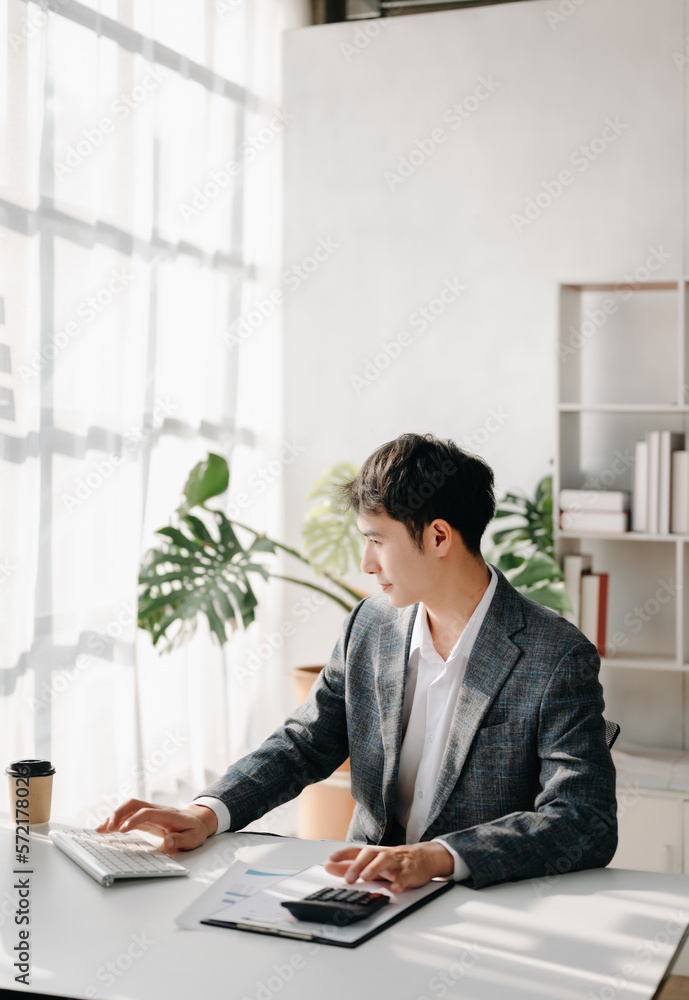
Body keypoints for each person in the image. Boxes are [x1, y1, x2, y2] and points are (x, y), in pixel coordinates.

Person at [98, 433, 617, 892]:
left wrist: (437, 858)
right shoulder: (371, 625)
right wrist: (206, 812)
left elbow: (584, 819)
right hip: (359, 891)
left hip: (478, 907)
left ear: (439, 537)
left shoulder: (554, 655)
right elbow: (306, 743)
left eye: (375, 540)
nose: (366, 564)